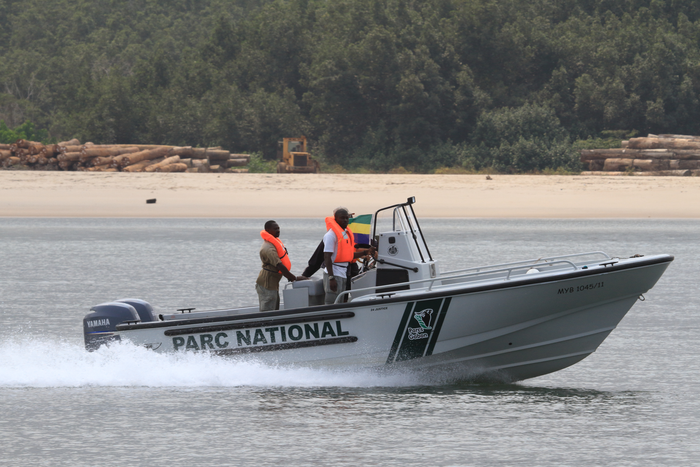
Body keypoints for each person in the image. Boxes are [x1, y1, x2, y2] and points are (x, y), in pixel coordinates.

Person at [323, 208, 375, 304]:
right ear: (336, 219)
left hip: (343, 272)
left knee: (341, 301)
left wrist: (366, 252)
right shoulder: (331, 235)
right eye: (342, 218)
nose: (345, 220)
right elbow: (327, 257)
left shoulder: (345, 234)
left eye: (346, 218)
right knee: (332, 303)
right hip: (334, 273)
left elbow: (349, 255)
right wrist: (331, 278)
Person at [256, 220, 305, 311]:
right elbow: (279, 265)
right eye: (275, 229)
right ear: (267, 230)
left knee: (274, 309)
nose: (278, 230)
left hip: (273, 284)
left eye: (278, 228)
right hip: (267, 285)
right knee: (268, 312)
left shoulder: (273, 244)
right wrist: (294, 278)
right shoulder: (268, 248)